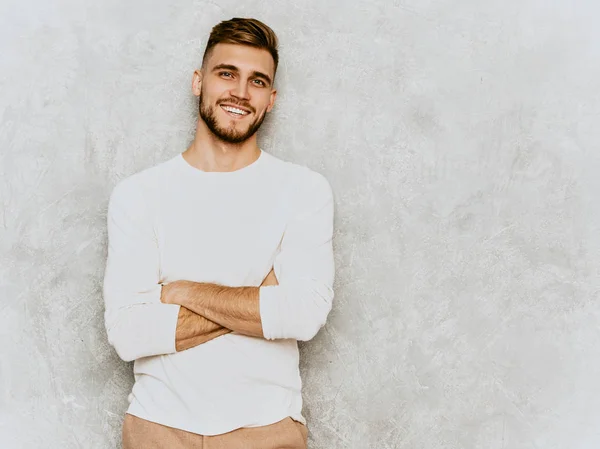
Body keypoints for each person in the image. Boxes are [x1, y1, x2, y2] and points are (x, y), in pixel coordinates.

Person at [102, 17, 335, 449]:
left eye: (257, 81)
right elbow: (128, 332)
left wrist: (180, 291)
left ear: (272, 99)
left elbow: (303, 315)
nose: (240, 93)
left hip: (268, 429)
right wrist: (259, 301)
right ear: (198, 82)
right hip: (157, 426)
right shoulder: (138, 195)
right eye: (226, 73)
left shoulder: (304, 190)